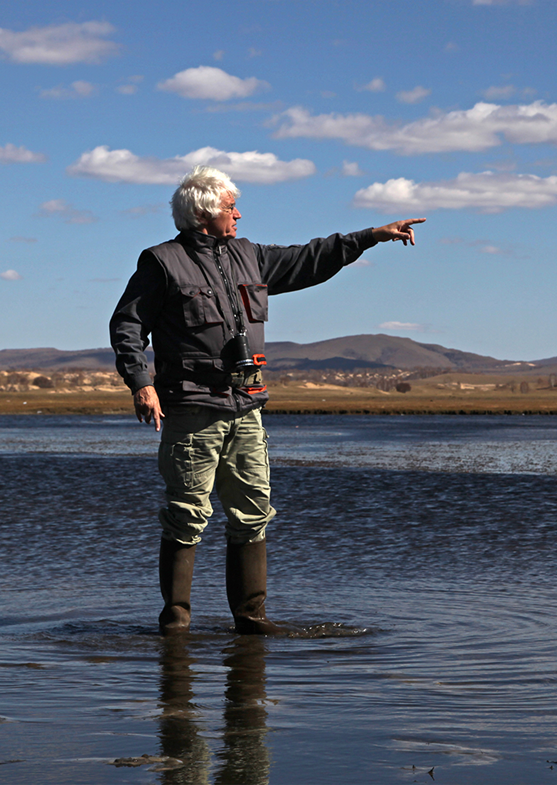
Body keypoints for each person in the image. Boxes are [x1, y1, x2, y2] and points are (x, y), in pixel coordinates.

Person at [110, 165, 423, 636]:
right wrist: (141, 382)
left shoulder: (249, 255)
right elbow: (128, 326)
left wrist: (370, 237)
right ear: (202, 213)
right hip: (193, 407)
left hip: (247, 405)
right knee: (187, 514)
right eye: (230, 206)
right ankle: (176, 625)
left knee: (254, 511)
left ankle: (250, 620)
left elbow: (309, 257)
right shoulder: (161, 261)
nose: (238, 213)